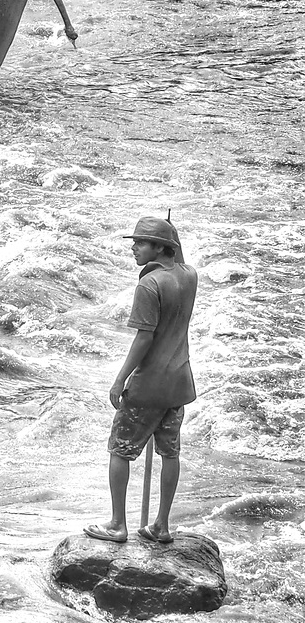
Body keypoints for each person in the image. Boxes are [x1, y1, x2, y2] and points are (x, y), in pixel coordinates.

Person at [84, 215, 197, 544]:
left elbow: (144, 339)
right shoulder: (189, 276)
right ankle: (161, 525)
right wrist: (172, 237)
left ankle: (118, 524)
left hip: (149, 385)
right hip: (179, 382)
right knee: (170, 452)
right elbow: (181, 258)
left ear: (161, 246)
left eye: (141, 242)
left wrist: (120, 380)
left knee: (120, 450)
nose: (134, 248)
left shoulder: (149, 285)